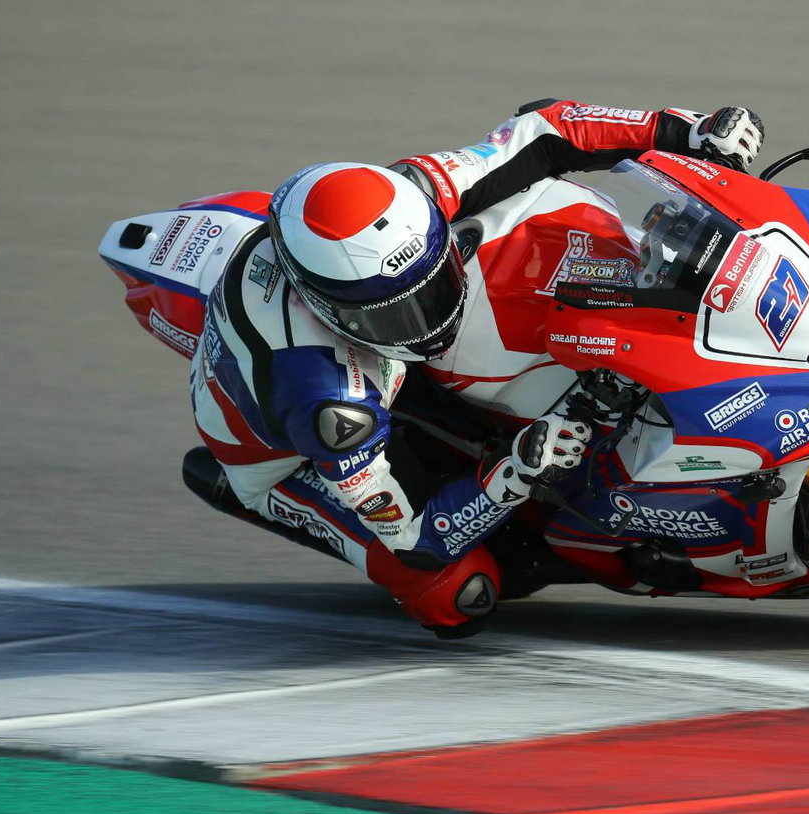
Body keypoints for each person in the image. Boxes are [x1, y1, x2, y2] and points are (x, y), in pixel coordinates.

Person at [189, 99, 764, 637]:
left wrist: (686, 132)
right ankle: (253, 494)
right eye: (397, 314)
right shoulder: (329, 401)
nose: (429, 318)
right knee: (455, 592)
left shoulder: (412, 196)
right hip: (288, 459)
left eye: (434, 283)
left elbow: (549, 129)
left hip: (381, 361)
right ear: (325, 308)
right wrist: (515, 471)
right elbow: (416, 536)